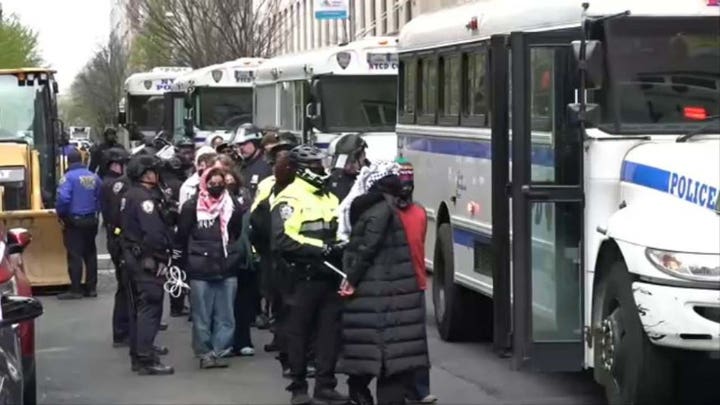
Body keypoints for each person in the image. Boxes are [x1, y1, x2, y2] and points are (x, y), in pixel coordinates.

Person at [336, 162, 429, 405]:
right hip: (389, 295)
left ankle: (358, 390)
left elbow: (365, 248)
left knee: (380, 358)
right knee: (391, 363)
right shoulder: (386, 210)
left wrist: (351, 278)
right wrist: (352, 279)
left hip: (377, 293)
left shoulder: (374, 209)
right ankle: (359, 391)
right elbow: (369, 247)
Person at [270, 145, 348, 405]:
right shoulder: (289, 198)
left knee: (329, 335)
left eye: (321, 164)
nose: (322, 169)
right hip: (300, 278)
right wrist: (320, 248)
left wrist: (340, 245)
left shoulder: (329, 197)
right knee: (298, 335)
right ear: (303, 169)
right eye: (316, 165)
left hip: (328, 276)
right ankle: (299, 388)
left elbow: (337, 230)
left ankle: (325, 386)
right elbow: (283, 239)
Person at [176, 167, 245, 368]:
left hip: (227, 265)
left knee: (226, 315)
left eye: (220, 183)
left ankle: (221, 351)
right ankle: (205, 353)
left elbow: (236, 232)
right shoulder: (191, 207)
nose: (217, 186)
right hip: (199, 267)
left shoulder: (233, 205)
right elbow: (182, 235)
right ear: (205, 184)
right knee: (202, 316)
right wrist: (182, 263)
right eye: (212, 183)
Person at [120, 154, 175, 375]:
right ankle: (145, 359)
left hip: (132, 258)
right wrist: (161, 258)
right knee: (150, 308)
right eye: (153, 171)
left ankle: (138, 354)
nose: (157, 174)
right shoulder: (143, 199)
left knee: (138, 310)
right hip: (145, 261)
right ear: (146, 174)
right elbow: (152, 233)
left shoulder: (129, 194)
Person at [394, 158, 436, 404]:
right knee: (411, 339)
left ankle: (418, 388)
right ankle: (414, 389)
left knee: (414, 340)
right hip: (407, 282)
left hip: (413, 281)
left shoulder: (416, 212)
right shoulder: (413, 211)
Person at [55, 149, 102, 300]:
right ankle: (91, 288)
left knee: (75, 254)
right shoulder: (94, 177)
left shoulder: (67, 178)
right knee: (90, 253)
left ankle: (75, 289)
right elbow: (101, 196)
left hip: (74, 221)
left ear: (68, 162)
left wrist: (61, 214)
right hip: (91, 220)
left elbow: (63, 198)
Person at [99, 147, 132, 345]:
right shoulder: (116, 185)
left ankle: (123, 330)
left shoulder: (108, 183)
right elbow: (118, 215)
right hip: (120, 238)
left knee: (124, 287)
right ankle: (123, 330)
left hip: (115, 237)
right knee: (126, 287)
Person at [231, 123, 272, 196]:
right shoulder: (239, 166)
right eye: (239, 144)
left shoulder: (268, 166)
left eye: (244, 143)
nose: (241, 148)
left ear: (255, 142)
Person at [326, 133, 369, 201]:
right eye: (344, 162)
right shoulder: (334, 179)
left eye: (352, 162)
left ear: (363, 155)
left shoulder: (374, 178)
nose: (347, 167)